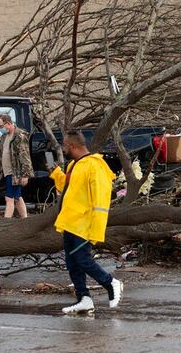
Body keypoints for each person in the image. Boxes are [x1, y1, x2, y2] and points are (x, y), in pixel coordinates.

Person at [49, 130, 123, 314]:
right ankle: (84, 298)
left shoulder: (94, 165)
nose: (63, 148)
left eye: (64, 145)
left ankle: (110, 283)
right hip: (70, 222)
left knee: (82, 260)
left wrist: (95, 229)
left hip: (84, 224)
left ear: (72, 145)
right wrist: (55, 173)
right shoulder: (74, 164)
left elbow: (101, 200)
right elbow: (67, 187)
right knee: (72, 263)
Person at [0, 114, 33, 218]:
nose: (0, 129)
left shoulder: (19, 136)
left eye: (1, 126)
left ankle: (6, 222)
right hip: (7, 172)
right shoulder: (4, 137)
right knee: (17, 197)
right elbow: (2, 156)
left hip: (16, 173)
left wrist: (25, 175)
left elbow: (25, 156)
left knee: (9, 198)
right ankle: (25, 219)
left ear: (8, 123)